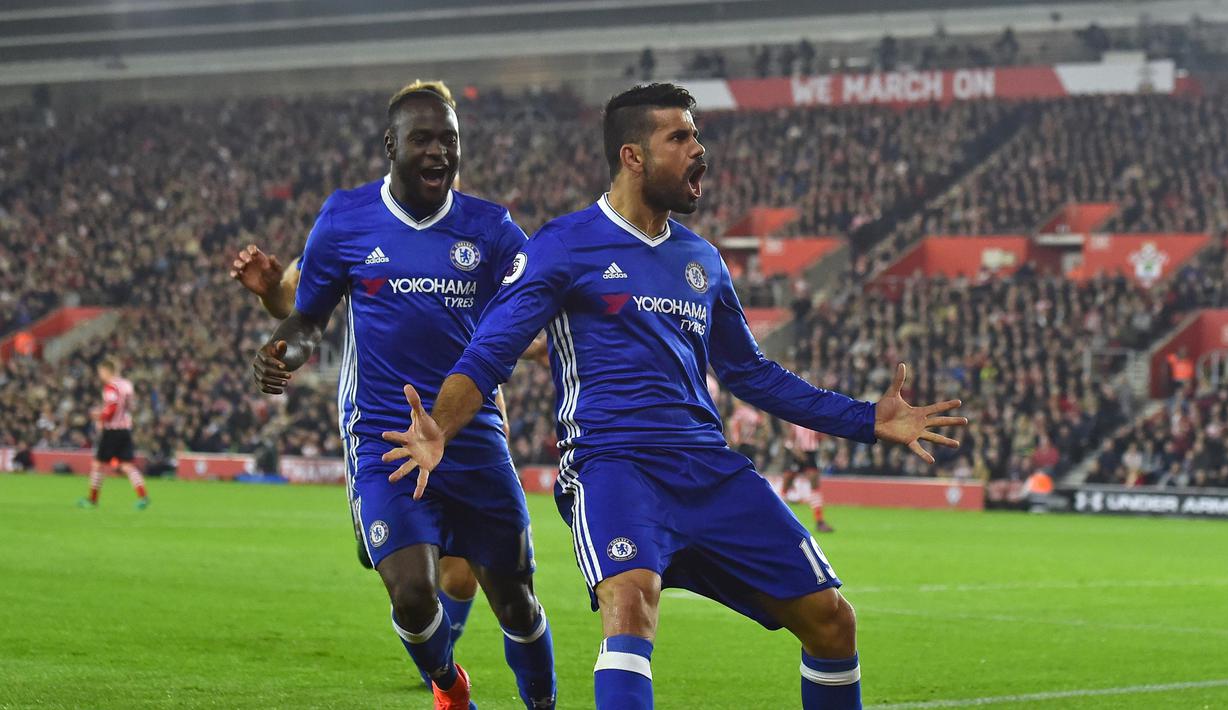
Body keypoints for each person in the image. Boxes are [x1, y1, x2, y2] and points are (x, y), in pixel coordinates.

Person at [381, 83, 969, 709]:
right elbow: (490, 351)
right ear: (633, 156)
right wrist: (442, 424)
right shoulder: (564, 245)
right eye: (681, 137)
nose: (700, 151)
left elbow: (751, 374)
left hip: (709, 469)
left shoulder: (703, 261)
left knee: (833, 621)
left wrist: (865, 419)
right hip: (613, 464)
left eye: (697, 135)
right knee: (630, 602)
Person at [250, 80, 556, 709]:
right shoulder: (346, 217)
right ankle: (449, 687)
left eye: (450, 139)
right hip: (385, 439)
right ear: (390, 144)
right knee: (414, 593)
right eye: (423, 138)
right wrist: (287, 348)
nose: (439, 151)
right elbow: (309, 317)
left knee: (517, 599)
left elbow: (539, 312)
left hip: (472, 440)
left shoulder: (492, 229)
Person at [231, 241, 482, 689]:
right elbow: (293, 303)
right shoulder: (354, 225)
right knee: (405, 578)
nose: (442, 169)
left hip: (462, 418)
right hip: (382, 425)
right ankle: (439, 665)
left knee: (463, 575)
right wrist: (270, 293)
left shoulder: (480, 233)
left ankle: (441, 672)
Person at [79, 357, 149, 510]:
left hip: (112, 430)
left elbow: (112, 408)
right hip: (125, 429)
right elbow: (131, 406)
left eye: (100, 372)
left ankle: (92, 500)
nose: (100, 375)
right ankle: (143, 496)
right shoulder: (127, 384)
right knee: (127, 466)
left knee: (98, 465)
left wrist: (100, 416)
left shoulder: (111, 387)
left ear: (106, 371)